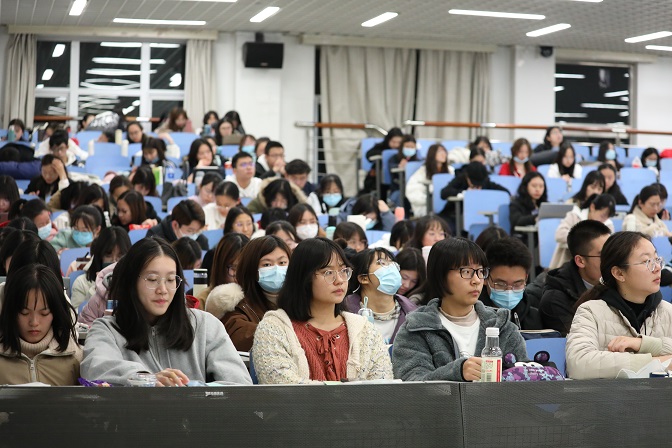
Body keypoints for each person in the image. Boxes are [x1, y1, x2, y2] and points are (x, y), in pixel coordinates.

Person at [80, 238, 251, 386]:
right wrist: (146, 380)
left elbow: (240, 384)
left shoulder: (205, 325)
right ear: (131, 282)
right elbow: (95, 368)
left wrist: (194, 390)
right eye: (152, 279)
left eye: (170, 279)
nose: (163, 290)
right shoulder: (107, 329)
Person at [252, 237, 393, 383]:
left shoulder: (365, 330)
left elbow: (383, 387)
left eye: (343, 271)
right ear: (303, 277)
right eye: (328, 272)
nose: (339, 280)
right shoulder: (274, 328)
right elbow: (282, 387)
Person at [392, 238, 528, 382]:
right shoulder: (416, 329)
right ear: (440, 275)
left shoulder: (502, 327)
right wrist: (457, 372)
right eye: (466, 271)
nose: (476, 280)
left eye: (480, 271)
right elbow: (412, 384)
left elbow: (523, 382)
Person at [566, 231, 672, 380]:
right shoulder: (590, 311)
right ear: (619, 273)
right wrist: (655, 363)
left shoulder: (667, 311)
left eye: (657, 259)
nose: (657, 268)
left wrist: (643, 344)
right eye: (646, 261)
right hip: (610, 395)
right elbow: (579, 364)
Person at [0, 264, 82, 385]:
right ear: (11, 312)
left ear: (56, 312)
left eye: (44, 313)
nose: (34, 322)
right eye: (24, 313)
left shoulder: (75, 358)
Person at [205, 235, 289, 352]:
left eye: (282, 262)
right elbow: (239, 335)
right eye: (267, 264)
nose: (276, 269)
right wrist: (286, 332)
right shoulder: (236, 306)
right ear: (251, 269)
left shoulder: (303, 300)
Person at [540, 220, 611, 335]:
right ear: (580, 261)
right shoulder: (555, 300)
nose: (612, 261)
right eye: (604, 255)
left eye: (613, 253)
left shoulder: (620, 281)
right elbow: (580, 339)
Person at [344, 248, 417, 344]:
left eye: (393, 263)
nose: (392, 267)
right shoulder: (344, 314)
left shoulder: (414, 314)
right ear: (363, 278)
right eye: (382, 262)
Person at [481, 237, 543, 330]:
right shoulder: (470, 316)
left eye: (517, 284)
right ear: (485, 277)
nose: (509, 291)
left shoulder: (534, 319)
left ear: (526, 278)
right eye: (501, 284)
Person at [549, 194, 615, 269]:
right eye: (602, 216)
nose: (603, 220)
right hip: (565, 262)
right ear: (592, 207)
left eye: (607, 217)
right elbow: (559, 235)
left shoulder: (608, 224)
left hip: (593, 267)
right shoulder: (575, 215)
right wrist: (583, 238)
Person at [71, 226, 130, 309]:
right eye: (108, 255)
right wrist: (97, 289)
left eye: (120, 256)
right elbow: (76, 315)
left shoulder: (134, 282)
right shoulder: (81, 283)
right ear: (100, 256)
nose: (114, 261)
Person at [440, 162, 509, 221]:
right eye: (473, 185)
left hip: (480, 215)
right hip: (456, 215)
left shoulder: (485, 181)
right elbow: (444, 193)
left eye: (479, 185)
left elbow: (505, 192)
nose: (477, 187)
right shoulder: (460, 179)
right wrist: (464, 192)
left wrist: (485, 194)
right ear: (467, 178)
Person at [195, 233, 249, 309]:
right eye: (234, 268)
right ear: (220, 267)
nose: (239, 276)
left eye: (245, 268)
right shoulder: (204, 300)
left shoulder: (257, 298)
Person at [406, 143, 454, 217]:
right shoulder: (422, 172)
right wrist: (429, 200)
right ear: (432, 154)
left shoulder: (451, 170)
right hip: (427, 206)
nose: (443, 154)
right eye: (439, 151)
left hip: (448, 204)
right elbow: (412, 191)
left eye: (444, 151)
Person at [362, 127, 403, 194]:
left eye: (399, 142)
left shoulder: (403, 149)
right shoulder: (381, 147)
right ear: (388, 140)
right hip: (379, 178)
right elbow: (368, 155)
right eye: (393, 142)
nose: (396, 145)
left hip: (396, 177)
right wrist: (385, 154)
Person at [388, 135, 420, 199]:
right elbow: (392, 169)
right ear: (402, 147)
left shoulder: (418, 161)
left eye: (412, 147)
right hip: (398, 189)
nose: (410, 149)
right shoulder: (394, 158)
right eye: (407, 147)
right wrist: (399, 166)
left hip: (415, 189)